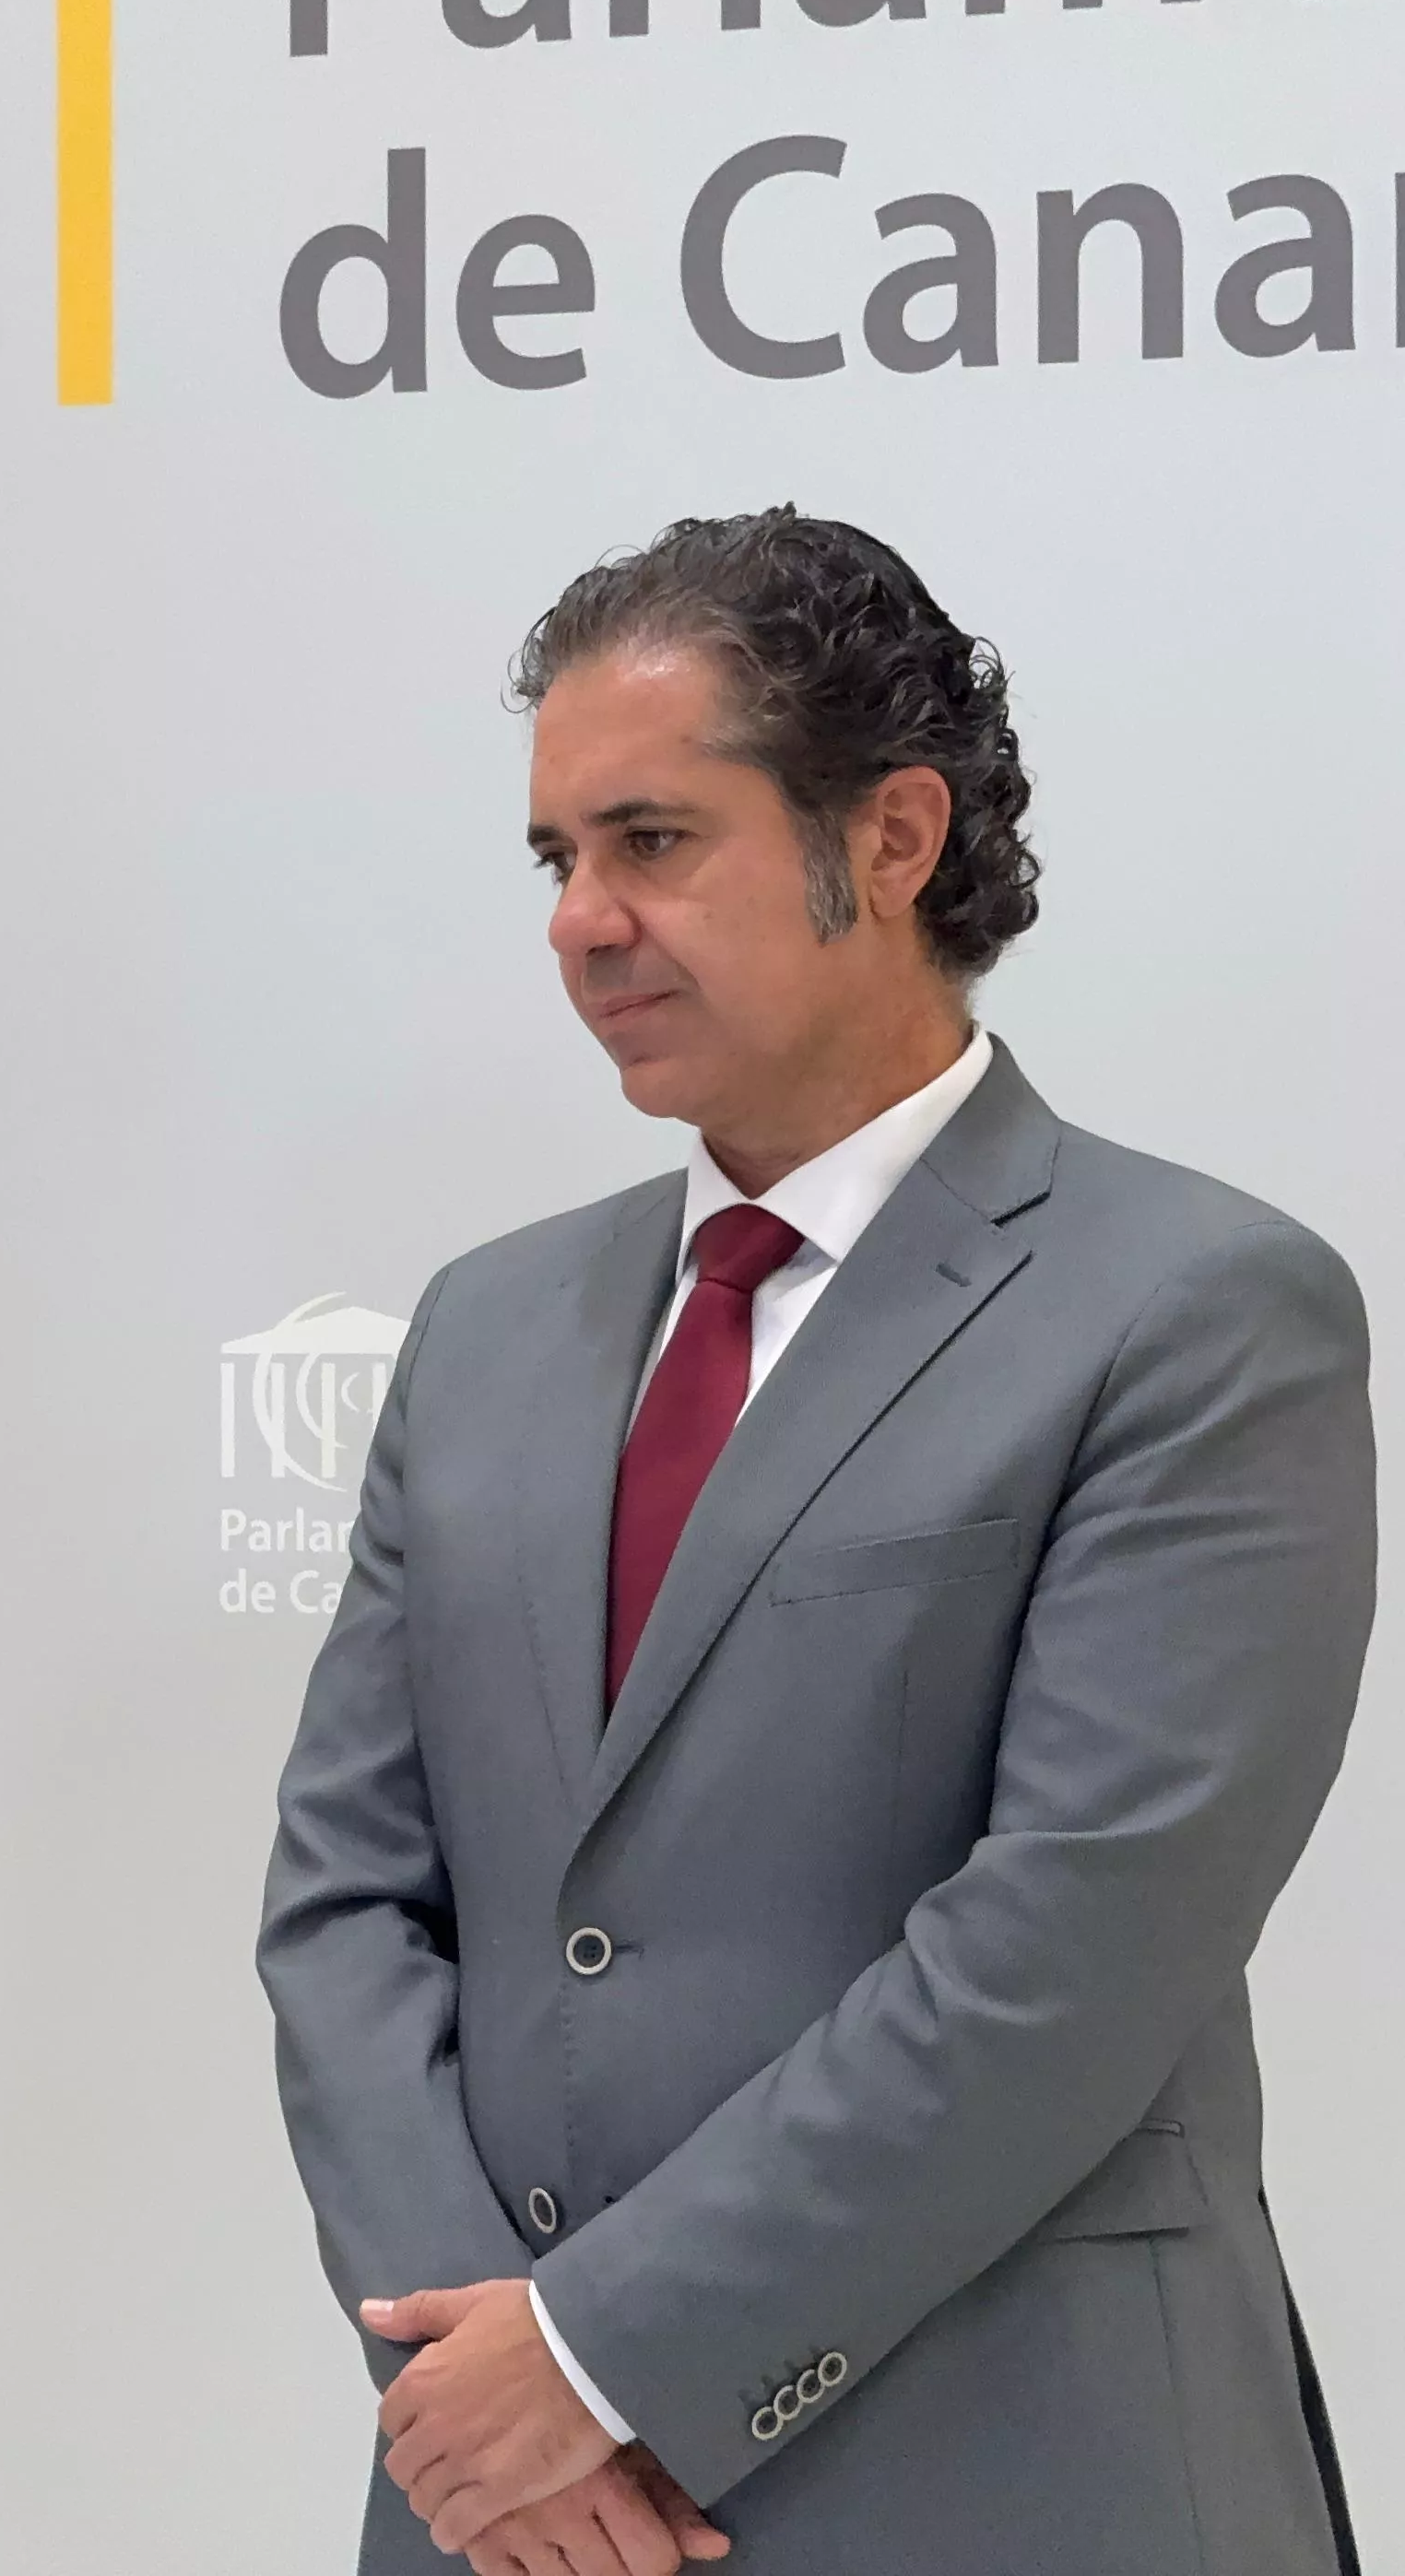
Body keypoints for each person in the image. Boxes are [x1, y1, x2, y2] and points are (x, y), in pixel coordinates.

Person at [259, 512, 1373, 2576]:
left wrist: (605, 2357)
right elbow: (344, 1904)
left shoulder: (1200, 1306)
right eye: (554, 861)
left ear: (891, 837)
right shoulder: (490, 1325)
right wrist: (476, 2391)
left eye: (652, 841)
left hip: (1021, 2483)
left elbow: (1072, 1952)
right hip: (508, 2511)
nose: (584, 921)